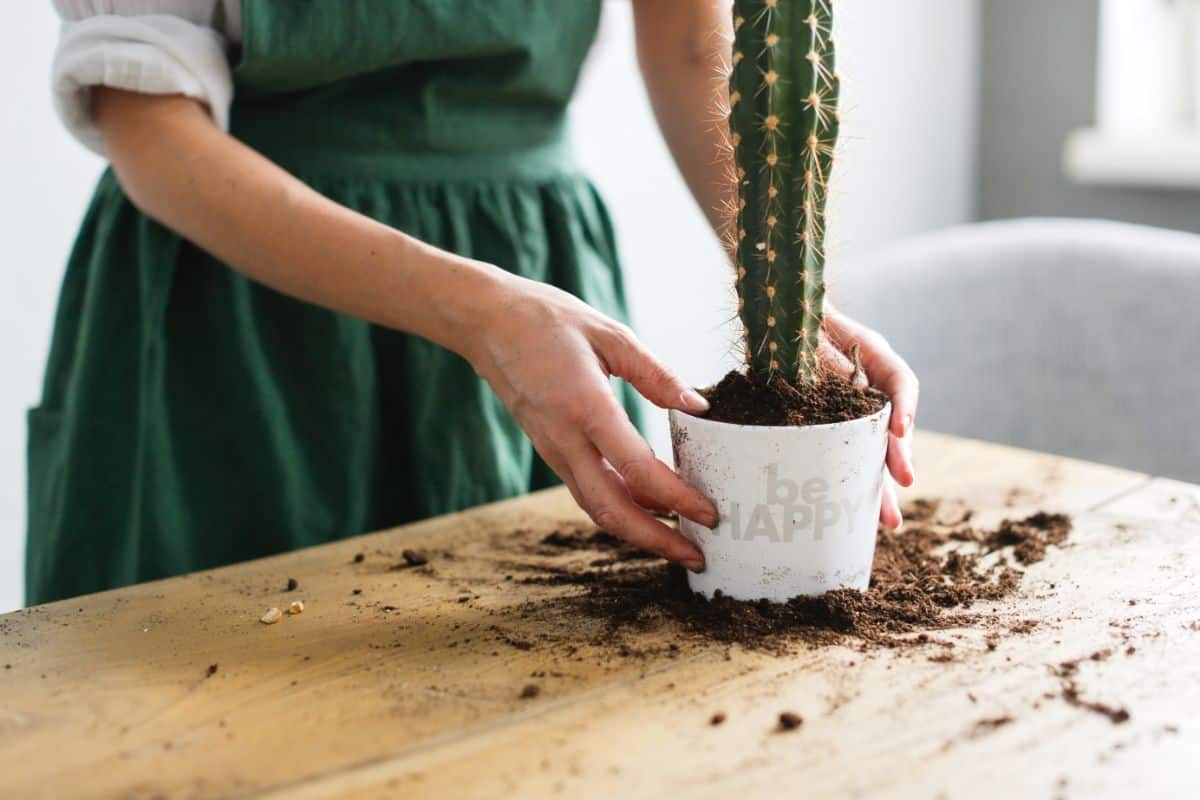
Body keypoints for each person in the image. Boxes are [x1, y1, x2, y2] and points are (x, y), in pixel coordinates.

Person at [29, 1, 917, 605]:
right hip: (246, 308)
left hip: (537, 289)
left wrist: (793, 303)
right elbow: (145, 120)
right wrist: (482, 313)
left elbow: (691, 42)